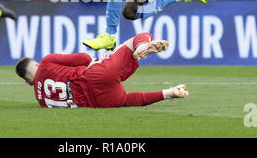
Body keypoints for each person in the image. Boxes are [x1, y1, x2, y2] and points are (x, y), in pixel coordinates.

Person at [15, 32, 189, 108]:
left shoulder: (42, 101)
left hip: (100, 102)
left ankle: (169, 93)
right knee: (137, 38)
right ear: (37, 65)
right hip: (97, 75)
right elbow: (84, 58)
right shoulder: (45, 63)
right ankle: (142, 46)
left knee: (126, 100)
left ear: (27, 82)